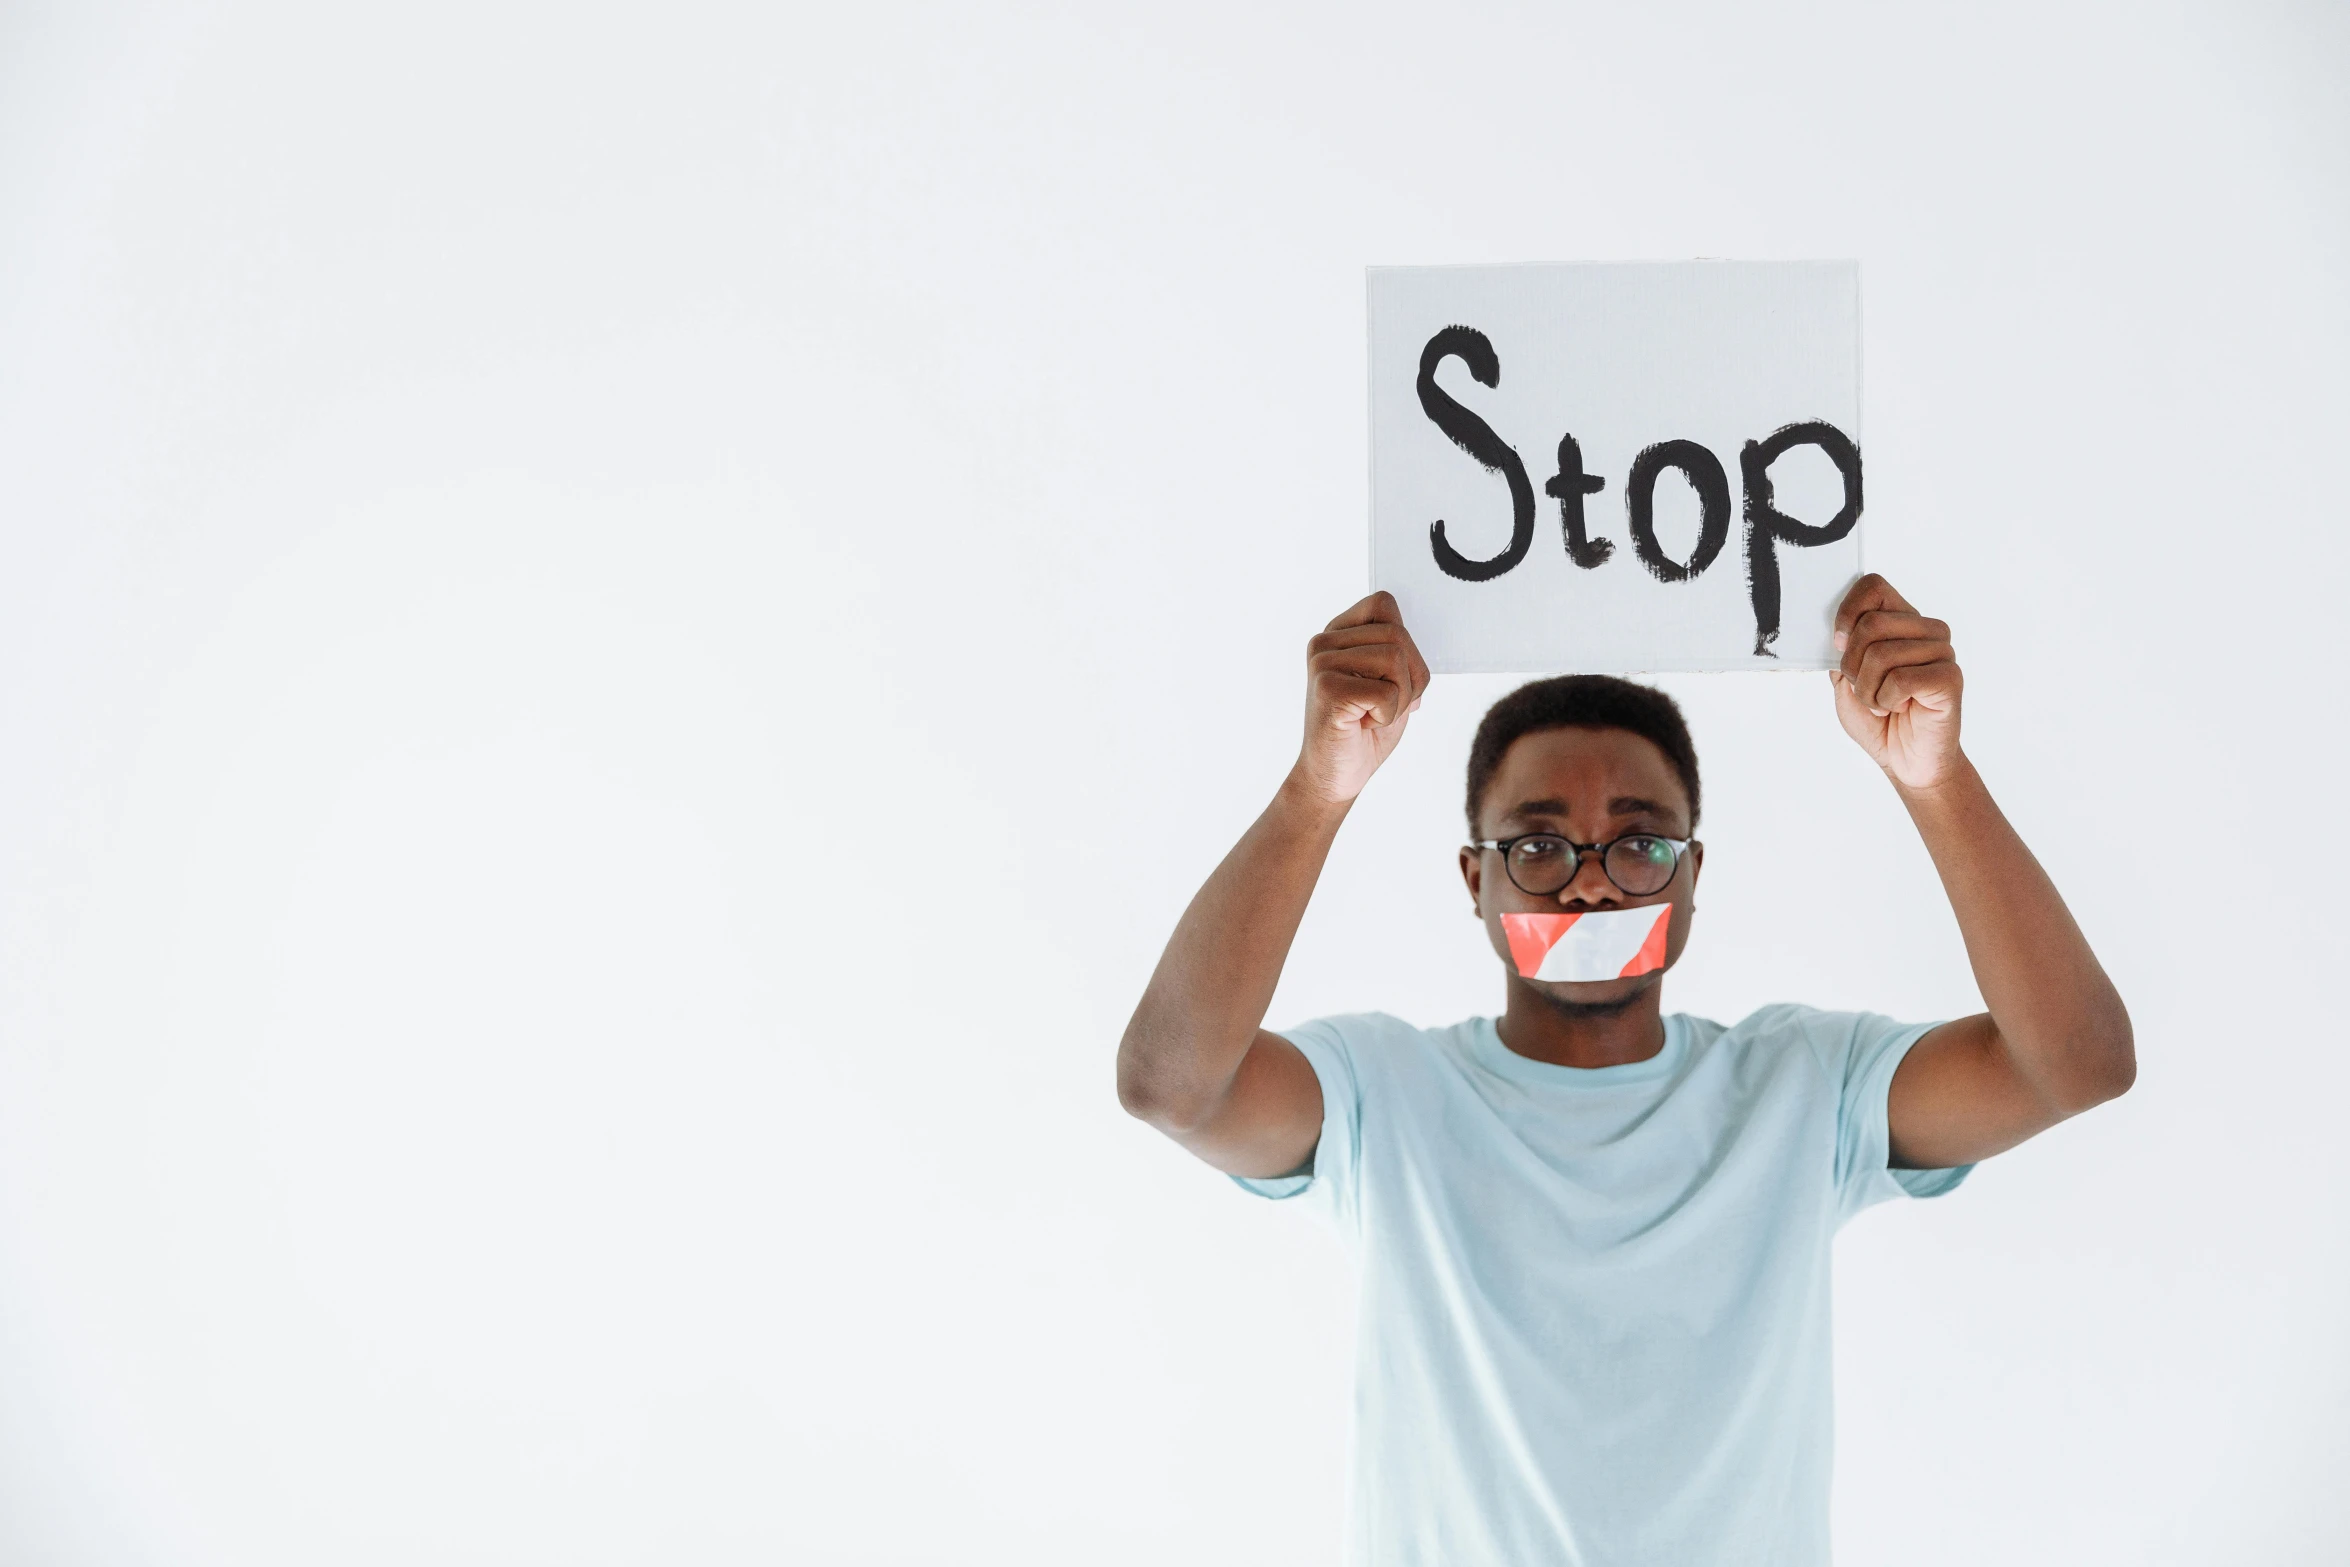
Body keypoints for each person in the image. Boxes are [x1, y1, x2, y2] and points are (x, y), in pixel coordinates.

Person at [1115, 575, 2133, 1566]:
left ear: (1694, 878)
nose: (1593, 886)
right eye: (1540, 845)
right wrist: (1315, 789)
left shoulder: (1802, 1088)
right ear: (1475, 879)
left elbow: (2074, 1064)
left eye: (1640, 843)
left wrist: (1934, 779)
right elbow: (1172, 1083)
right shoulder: (1385, 1092)